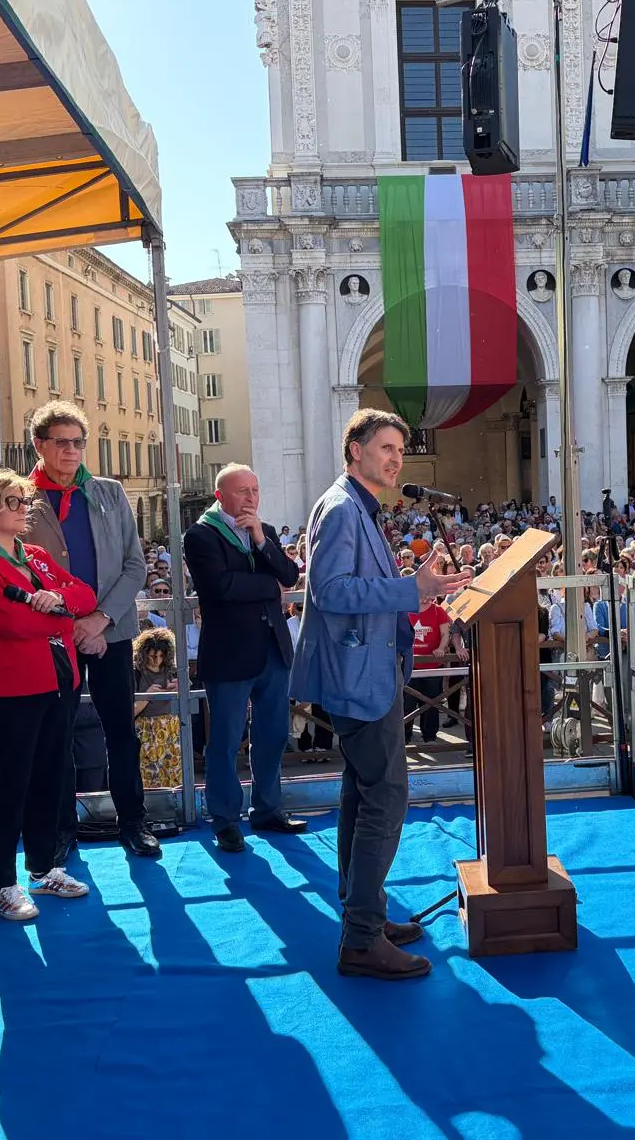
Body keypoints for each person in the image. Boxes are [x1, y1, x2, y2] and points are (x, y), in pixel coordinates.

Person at [291, 408, 472, 980]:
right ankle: (362, 937)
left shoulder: (357, 507)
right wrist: (407, 588)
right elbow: (330, 589)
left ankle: (361, 911)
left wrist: (418, 590)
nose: (396, 457)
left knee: (361, 793)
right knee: (387, 798)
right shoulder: (345, 509)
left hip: (367, 673)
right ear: (355, 452)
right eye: (386, 447)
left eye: (401, 448)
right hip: (357, 678)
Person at [0, 468, 98, 921]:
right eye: (14, 502)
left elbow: (84, 594)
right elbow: (8, 623)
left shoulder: (31, 555)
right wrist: (60, 616)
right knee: (5, 789)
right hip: (0, 693)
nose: (24, 509)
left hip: (54, 684)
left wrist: (55, 600)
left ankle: (42, 867)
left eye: (24, 501)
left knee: (49, 781)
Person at [20, 401, 159, 858]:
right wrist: (70, 624)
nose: (73, 451)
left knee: (121, 730)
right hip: (50, 636)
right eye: (62, 442)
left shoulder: (109, 492)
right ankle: (61, 832)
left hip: (111, 632)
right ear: (39, 446)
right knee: (53, 735)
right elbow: (18, 570)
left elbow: (134, 565)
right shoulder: (19, 498)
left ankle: (133, 824)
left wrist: (99, 620)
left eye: (79, 442)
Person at [182, 463, 303, 853]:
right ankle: (225, 819)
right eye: (242, 492)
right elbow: (221, 587)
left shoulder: (264, 531)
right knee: (225, 740)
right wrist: (268, 584)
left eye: (255, 490)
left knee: (272, 735)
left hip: (273, 648)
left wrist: (262, 544)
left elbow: (289, 575)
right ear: (221, 496)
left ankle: (267, 809)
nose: (251, 498)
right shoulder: (200, 535)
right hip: (230, 653)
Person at [131, 628, 184, 789]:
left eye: (161, 656)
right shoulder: (136, 673)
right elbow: (130, 712)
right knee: (148, 775)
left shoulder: (172, 671)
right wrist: (147, 695)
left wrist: (178, 689)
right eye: (153, 656)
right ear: (144, 653)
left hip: (171, 730)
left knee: (172, 773)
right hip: (146, 731)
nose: (157, 660)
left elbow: (188, 701)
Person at [404, 594, 453, 746]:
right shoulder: (405, 610)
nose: (424, 598)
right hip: (410, 667)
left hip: (432, 666)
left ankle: (430, 737)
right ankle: (404, 737)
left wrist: (440, 648)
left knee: (432, 703)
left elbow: (445, 634)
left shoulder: (438, 611)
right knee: (407, 705)